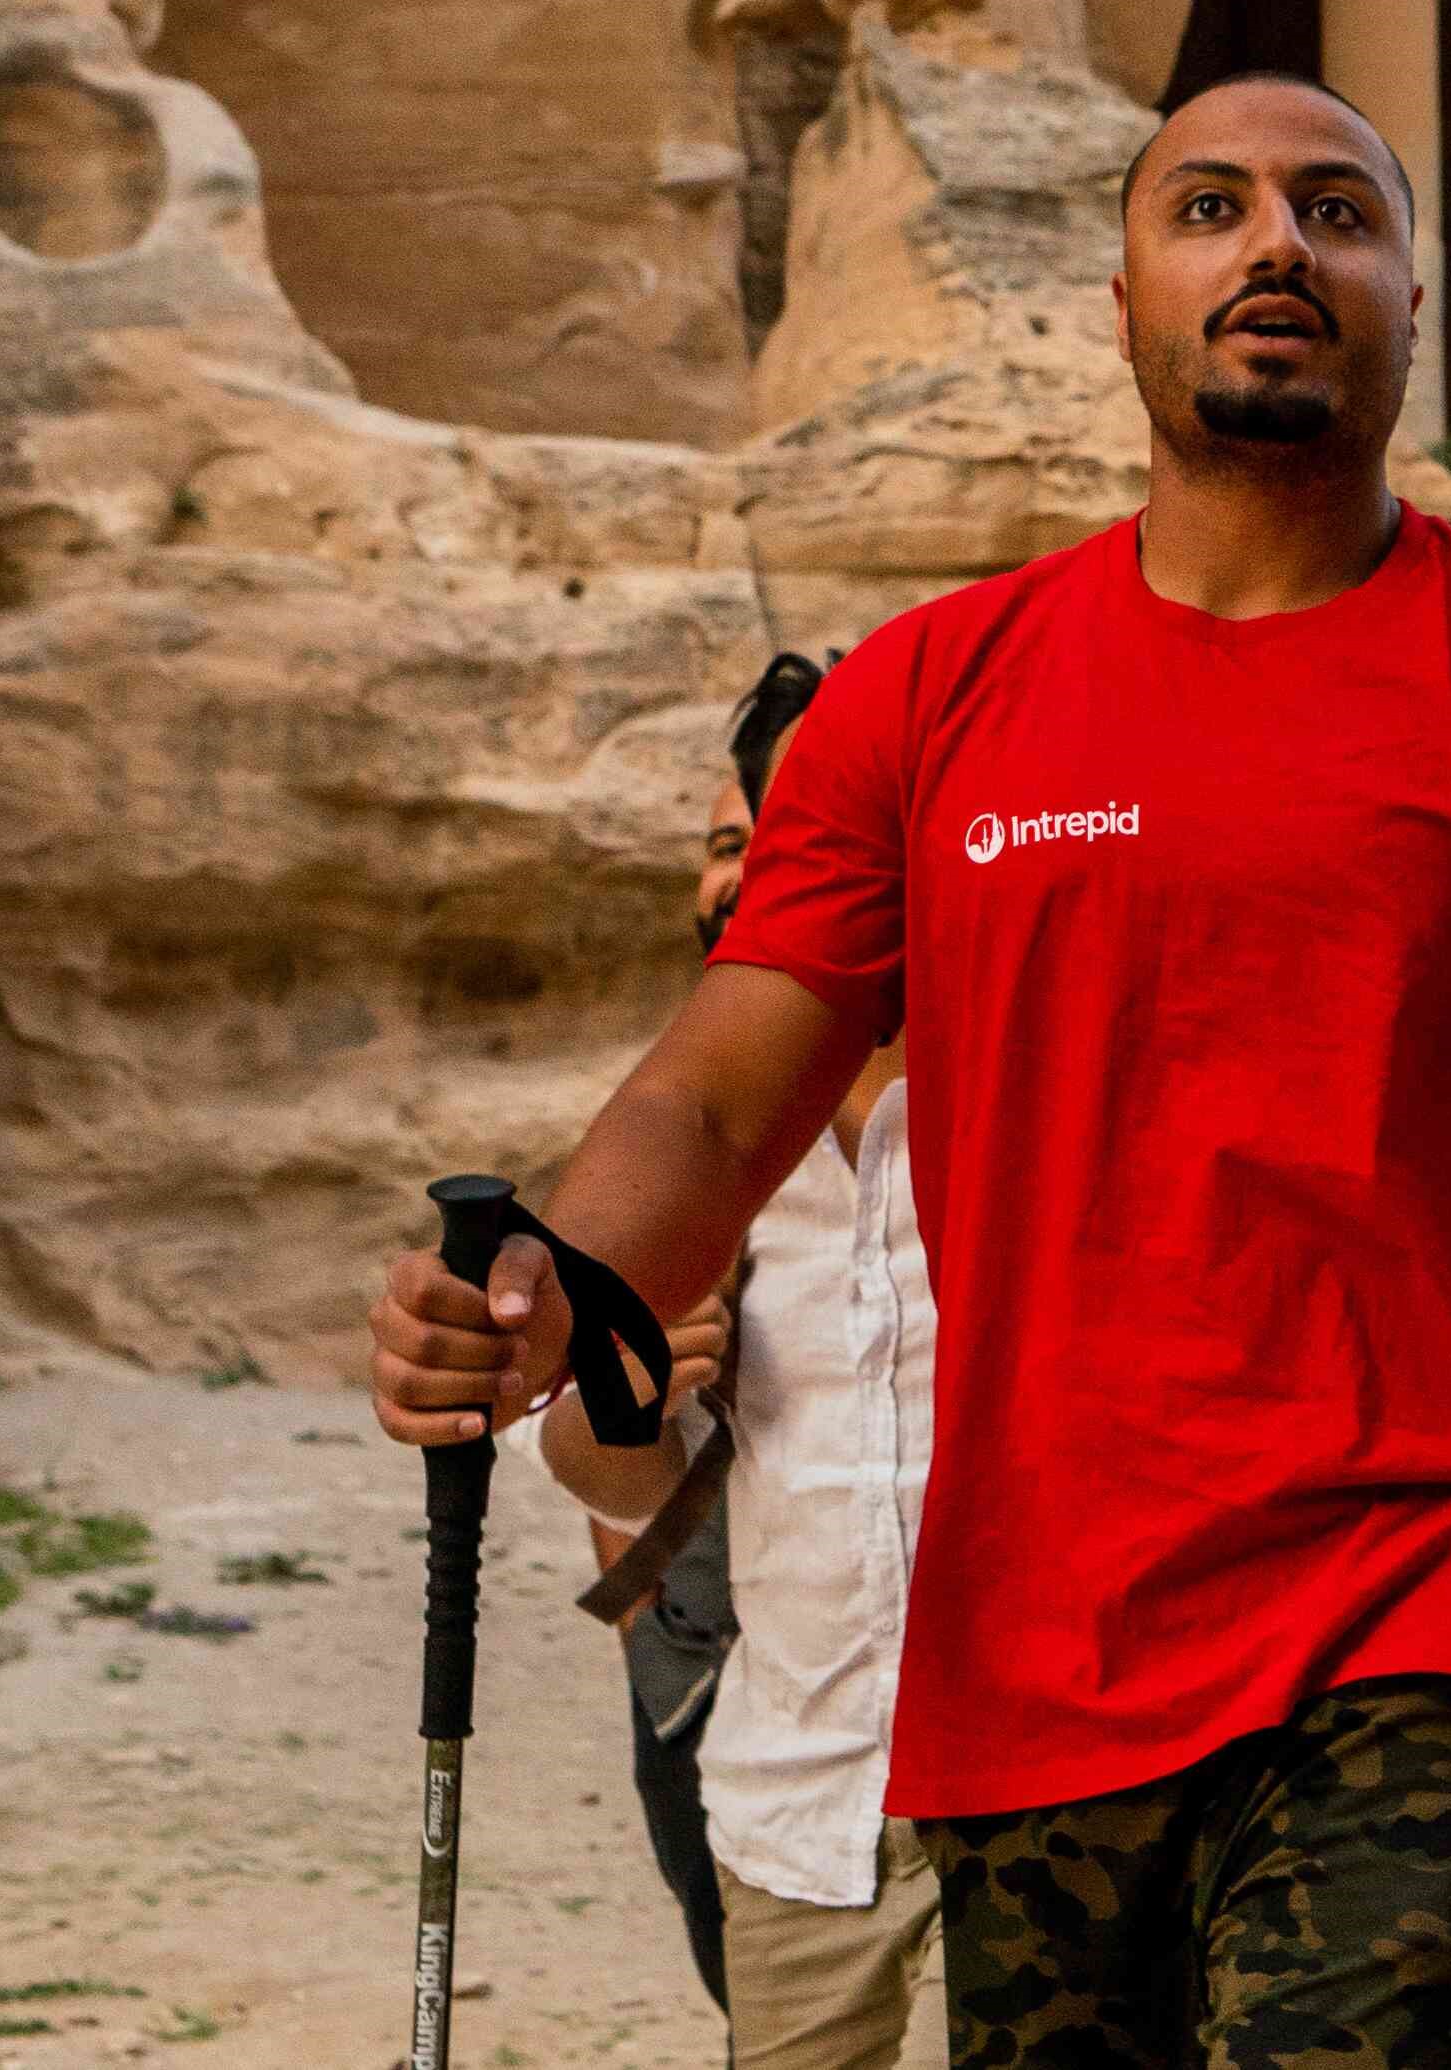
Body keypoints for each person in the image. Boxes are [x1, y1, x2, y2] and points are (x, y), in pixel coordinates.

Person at [363, 68, 1451, 2070]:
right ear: (1120, 300)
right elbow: (716, 1098)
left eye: (1338, 211)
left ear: (1411, 299)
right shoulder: (924, 700)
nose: (1278, 246)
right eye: (1211, 206)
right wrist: (549, 1290)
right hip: (1030, 1642)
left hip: (1420, 1597)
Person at [534, 663, 951, 2068]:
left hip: (1022, 1799)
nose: (760, 879)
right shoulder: (682, 1148)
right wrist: (631, 1389)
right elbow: (615, 1490)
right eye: (736, 847)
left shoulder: (1026, 1112)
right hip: (776, 1777)